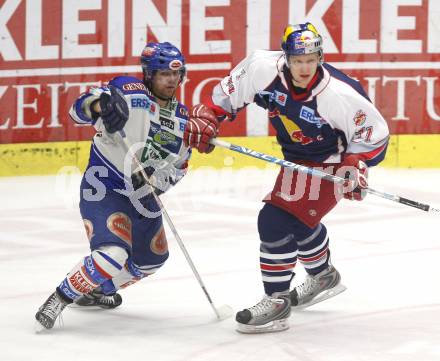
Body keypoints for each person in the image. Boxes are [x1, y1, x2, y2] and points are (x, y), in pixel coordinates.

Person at [183, 22, 389, 333]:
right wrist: (210, 115)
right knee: (298, 222)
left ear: (319, 57)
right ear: (286, 58)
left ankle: (277, 301)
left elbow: (375, 135)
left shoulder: (339, 94)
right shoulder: (261, 67)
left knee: (275, 221)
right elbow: (226, 94)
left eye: (311, 60)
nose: (305, 67)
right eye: (298, 60)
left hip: (331, 163)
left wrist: (355, 165)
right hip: (296, 159)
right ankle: (323, 275)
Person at [35, 42, 191, 330]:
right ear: (148, 74)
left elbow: (179, 166)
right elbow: (76, 111)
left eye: (176, 74)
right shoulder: (128, 91)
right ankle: (59, 298)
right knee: (113, 255)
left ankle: (99, 289)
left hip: (143, 197)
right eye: (163, 74)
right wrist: (98, 104)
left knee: (153, 259)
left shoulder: (182, 119)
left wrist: (156, 182)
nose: (171, 80)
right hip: (105, 186)